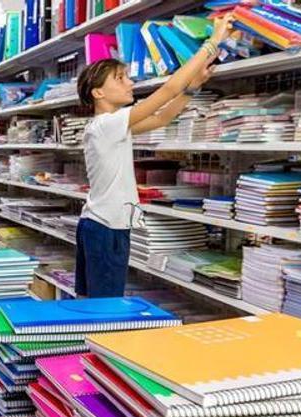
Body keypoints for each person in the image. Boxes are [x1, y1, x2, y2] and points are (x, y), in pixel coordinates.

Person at [73, 15, 232, 298]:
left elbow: (161, 117)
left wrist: (194, 86)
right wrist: (213, 42)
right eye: (120, 79)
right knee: (104, 307)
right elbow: (168, 90)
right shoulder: (107, 124)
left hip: (103, 225)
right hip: (106, 227)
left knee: (96, 303)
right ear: (98, 92)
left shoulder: (110, 126)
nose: (130, 83)